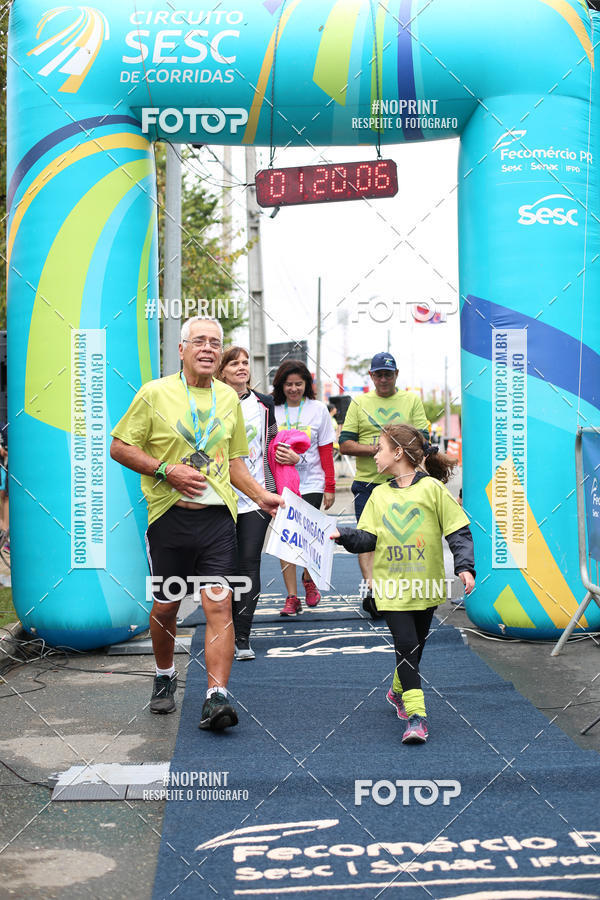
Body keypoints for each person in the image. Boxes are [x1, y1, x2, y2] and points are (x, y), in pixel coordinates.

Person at [110, 317, 283, 731]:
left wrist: (261, 495)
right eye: (199, 342)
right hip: (169, 518)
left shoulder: (229, 400)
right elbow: (120, 446)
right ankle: (165, 674)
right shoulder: (155, 394)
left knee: (219, 604)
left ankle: (215, 697)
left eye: (215, 343)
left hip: (218, 520)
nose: (208, 348)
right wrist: (165, 469)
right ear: (182, 349)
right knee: (168, 605)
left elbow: (235, 461)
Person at [331, 424, 475, 744]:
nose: (375, 453)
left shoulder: (433, 490)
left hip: (426, 588)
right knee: (407, 646)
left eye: (379, 448)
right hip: (390, 589)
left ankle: (398, 691)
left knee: (416, 647)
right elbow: (367, 538)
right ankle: (417, 717)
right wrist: (344, 536)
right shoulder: (378, 494)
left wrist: (465, 568)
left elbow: (458, 531)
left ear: (397, 453)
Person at [218, 346, 299, 660]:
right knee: (222, 567)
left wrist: (291, 457)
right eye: (234, 363)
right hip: (219, 497)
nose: (242, 367)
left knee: (249, 563)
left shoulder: (264, 404)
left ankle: (242, 637)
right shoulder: (211, 400)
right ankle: (221, 630)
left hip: (255, 497)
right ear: (222, 370)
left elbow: (275, 444)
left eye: (245, 363)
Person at [339, 352, 429, 618]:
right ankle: (373, 593)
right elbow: (345, 443)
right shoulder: (360, 401)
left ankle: (404, 590)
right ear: (371, 376)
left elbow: (423, 438)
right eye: (378, 374)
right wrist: (378, 450)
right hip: (368, 483)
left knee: (405, 538)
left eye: (388, 374)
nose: (383, 379)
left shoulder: (411, 399)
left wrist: (398, 453)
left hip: (405, 481)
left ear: (396, 375)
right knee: (367, 539)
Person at [271, 360, 336, 615]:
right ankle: (291, 597)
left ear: (307, 385)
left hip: (311, 482)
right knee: (286, 536)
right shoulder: (272, 409)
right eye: (289, 384)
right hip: (280, 484)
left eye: (299, 384)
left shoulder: (318, 409)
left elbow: (326, 449)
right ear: (281, 385)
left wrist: (330, 486)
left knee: (307, 534)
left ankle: (309, 579)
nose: (294, 389)